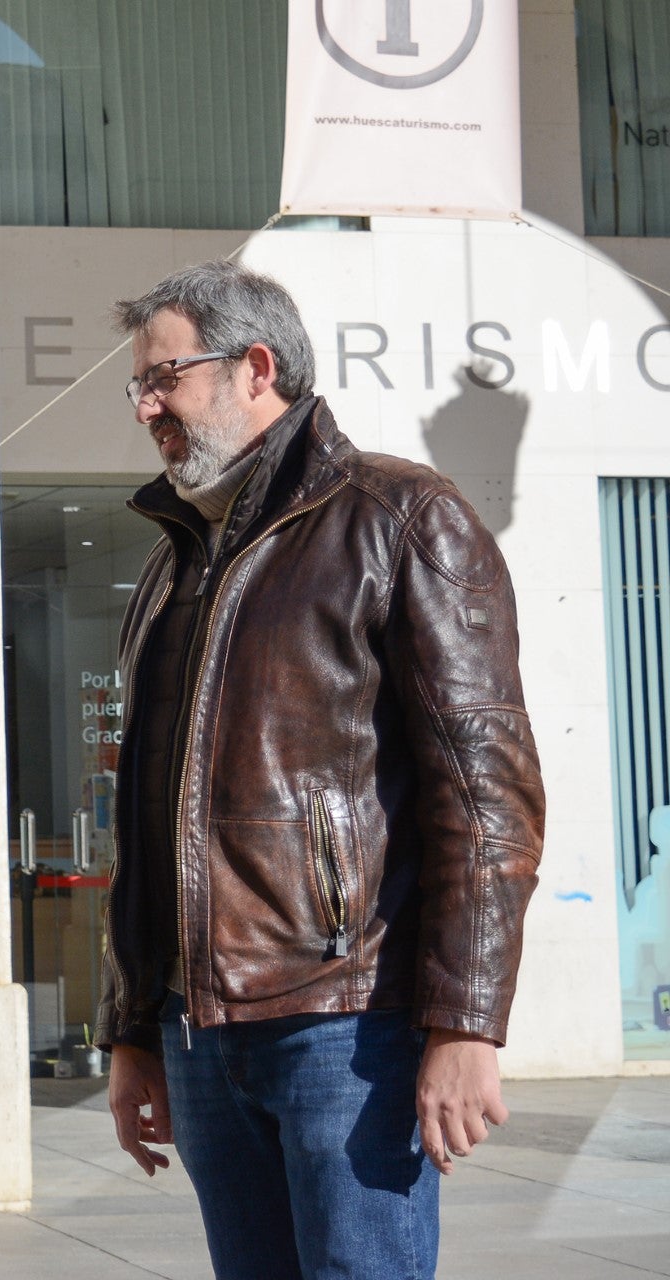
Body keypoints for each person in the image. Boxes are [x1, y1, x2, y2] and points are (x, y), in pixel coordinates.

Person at [97, 261, 545, 1278]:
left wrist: (467, 1021)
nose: (147, 406)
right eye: (141, 385)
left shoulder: (400, 517)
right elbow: (145, 817)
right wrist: (135, 1026)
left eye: (163, 377)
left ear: (257, 366)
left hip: (349, 1026)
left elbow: (487, 798)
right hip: (200, 1032)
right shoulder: (177, 561)